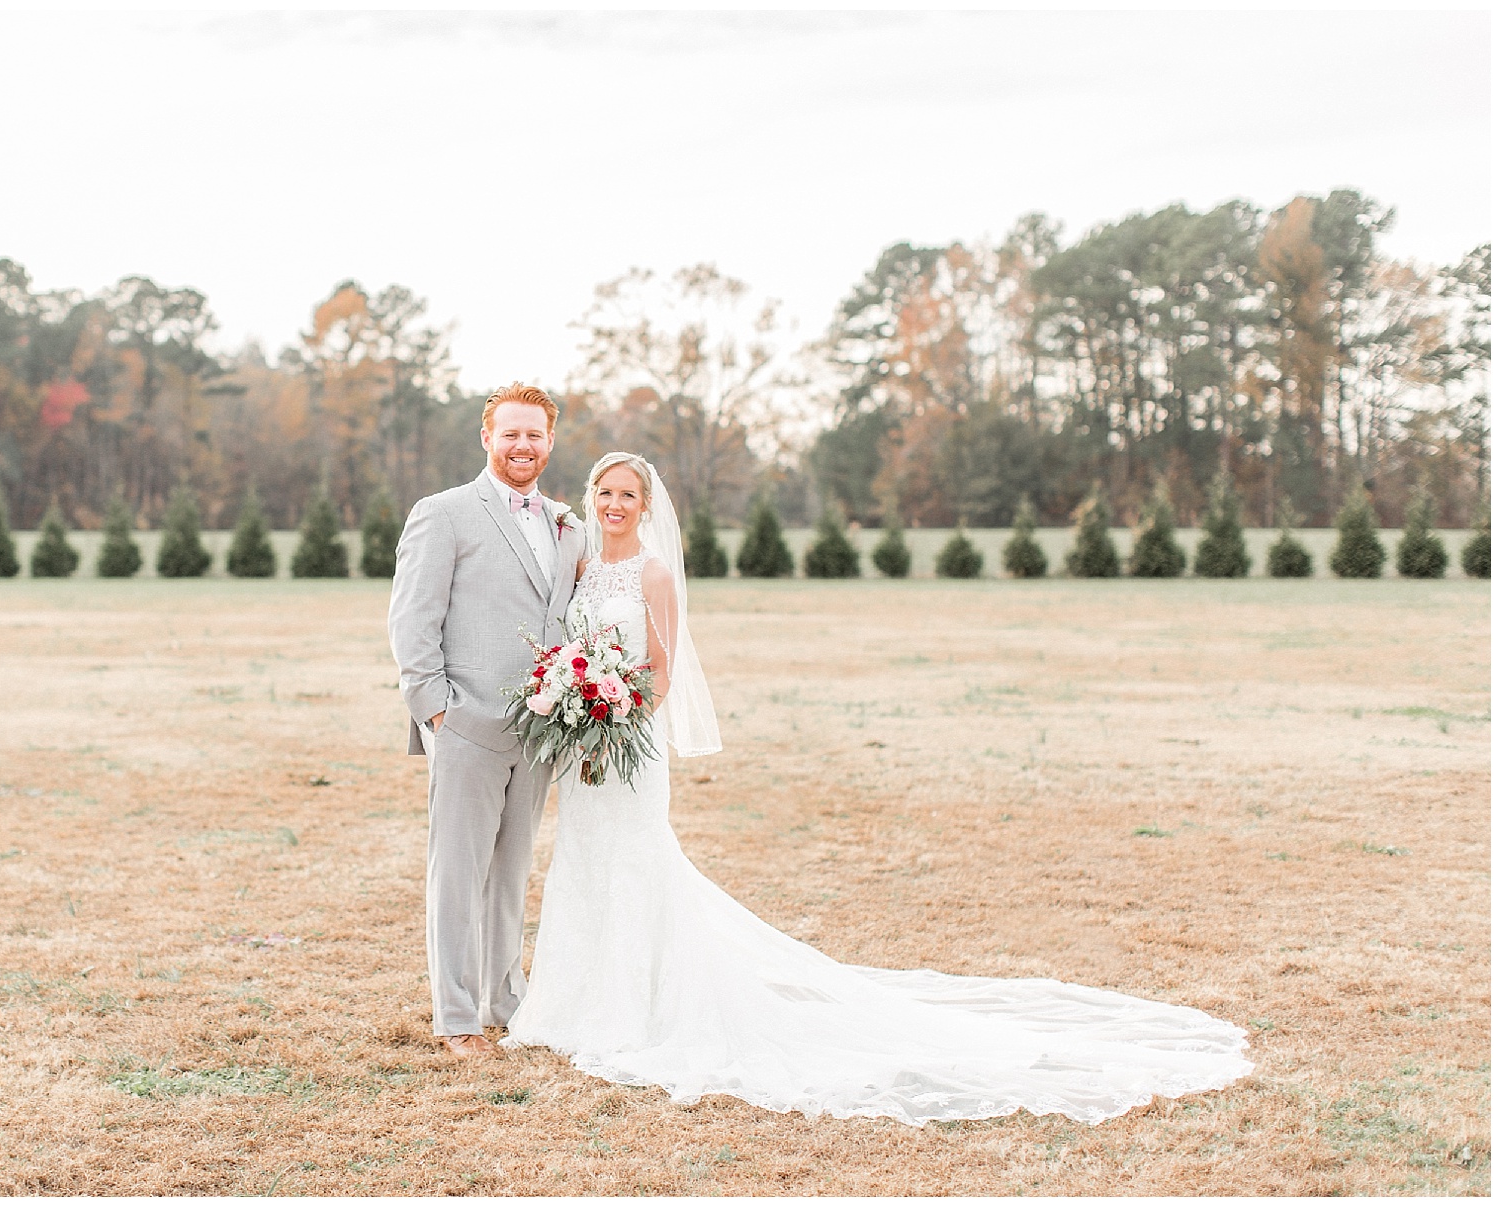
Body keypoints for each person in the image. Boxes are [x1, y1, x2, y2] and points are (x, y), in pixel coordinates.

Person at [501, 451, 1255, 1125]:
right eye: (605, 490)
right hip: (584, 753)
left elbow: (662, 673)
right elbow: (572, 649)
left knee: (637, 864)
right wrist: (575, 708)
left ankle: (636, 1010)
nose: (614, 504)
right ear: (592, 495)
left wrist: (618, 721)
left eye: (628, 493)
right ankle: (574, 1002)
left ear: (647, 504)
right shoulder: (581, 570)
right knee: (584, 862)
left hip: (630, 748)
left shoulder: (655, 575)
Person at [386, 383, 586, 1058]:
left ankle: (506, 999)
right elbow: (412, 621)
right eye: (510, 433)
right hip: (467, 724)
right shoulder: (443, 514)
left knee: (509, 872)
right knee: (457, 874)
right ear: (487, 438)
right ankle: (457, 1018)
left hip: (539, 731)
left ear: (550, 442)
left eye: (535, 434)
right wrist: (438, 712)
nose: (523, 445)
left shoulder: (567, 525)